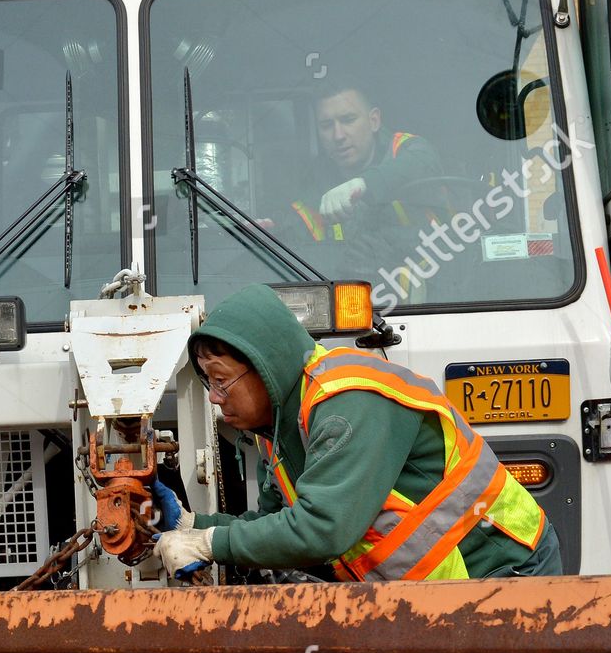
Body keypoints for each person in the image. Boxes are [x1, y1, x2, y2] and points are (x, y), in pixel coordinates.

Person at [153, 284, 562, 582]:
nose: (214, 399)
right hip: (437, 590)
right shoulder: (280, 427)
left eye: (221, 381)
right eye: (210, 384)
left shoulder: (344, 403)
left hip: (504, 568)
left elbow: (320, 529)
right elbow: (277, 524)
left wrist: (208, 544)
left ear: (266, 367)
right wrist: (194, 524)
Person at [285, 82, 444, 244]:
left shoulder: (407, 150)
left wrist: (362, 184)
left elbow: (424, 162)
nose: (338, 135)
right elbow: (293, 236)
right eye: (327, 126)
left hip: (441, 261)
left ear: (374, 121)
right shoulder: (313, 192)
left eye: (348, 120)